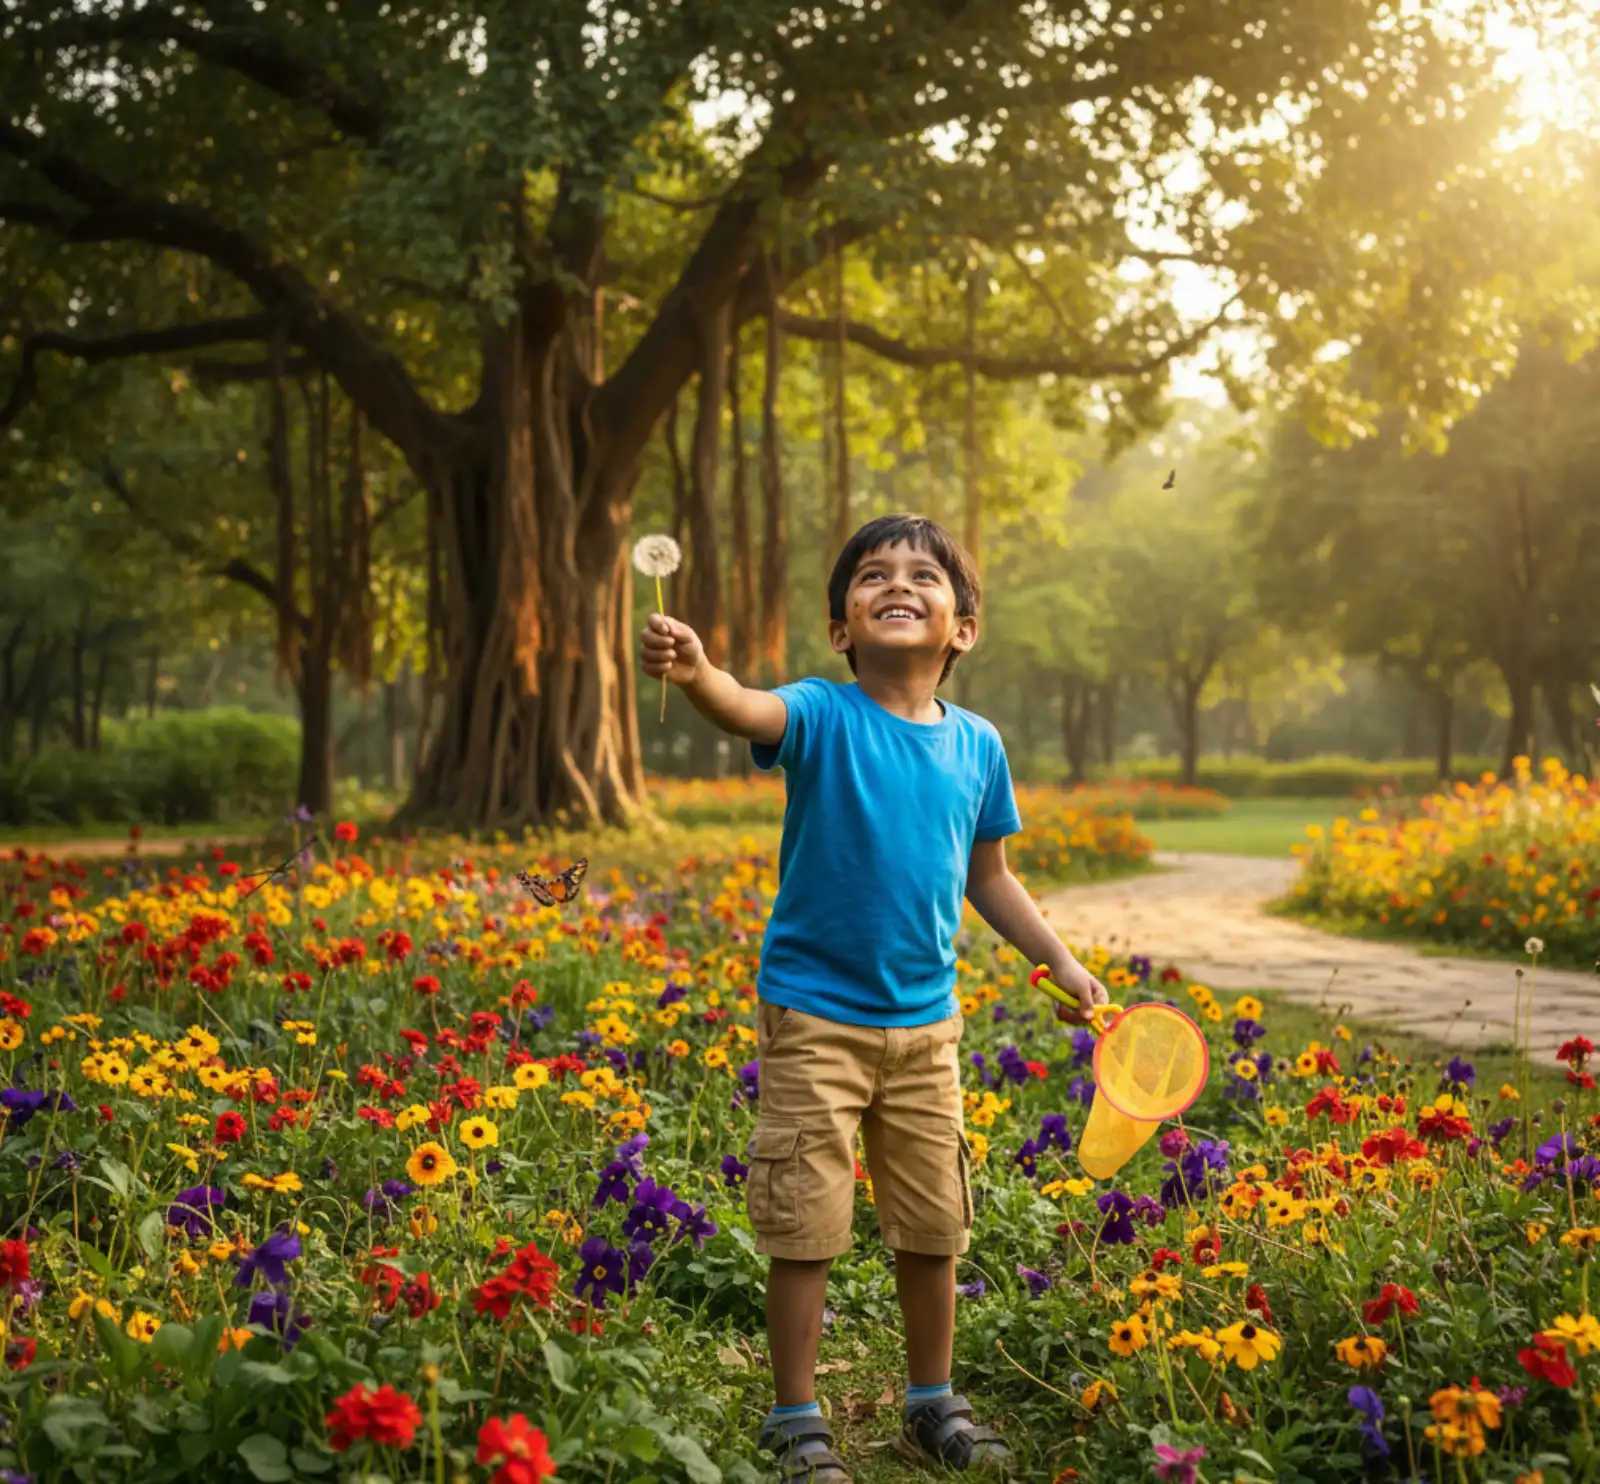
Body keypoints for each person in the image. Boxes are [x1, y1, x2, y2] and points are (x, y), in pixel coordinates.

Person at [641, 513, 1108, 1483]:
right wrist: (696, 674)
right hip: (814, 1015)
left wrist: (1059, 961)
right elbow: (743, 708)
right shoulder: (819, 711)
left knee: (934, 1223)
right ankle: (795, 1416)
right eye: (871, 575)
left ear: (962, 629)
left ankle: (931, 1398)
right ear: (843, 627)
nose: (896, 582)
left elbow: (991, 877)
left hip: (927, 1026)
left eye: (923, 575)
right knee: (804, 1220)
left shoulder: (978, 744)